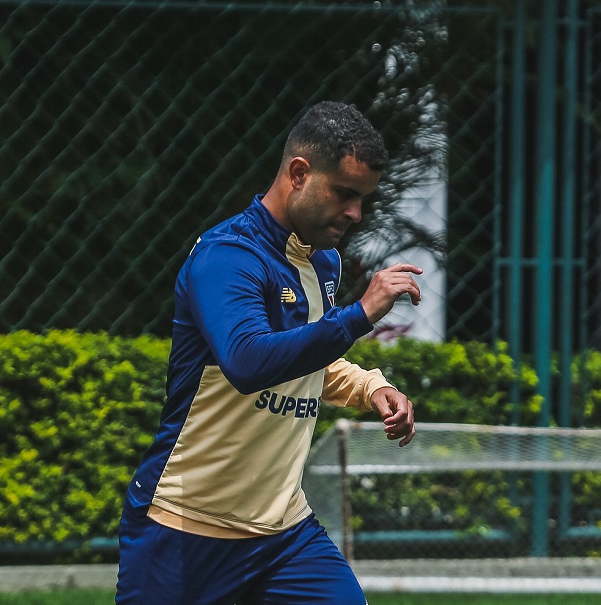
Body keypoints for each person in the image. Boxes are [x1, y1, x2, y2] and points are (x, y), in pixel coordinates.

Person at [116, 101, 422, 605]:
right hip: (185, 529)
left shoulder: (322, 261)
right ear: (299, 173)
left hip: (283, 534)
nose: (355, 213)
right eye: (345, 194)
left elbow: (306, 360)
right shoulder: (227, 256)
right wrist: (359, 314)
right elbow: (248, 361)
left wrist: (373, 387)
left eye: (363, 199)